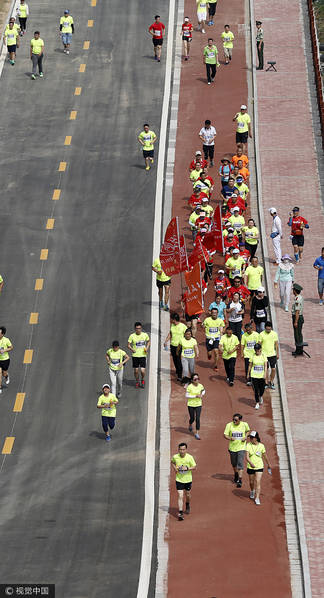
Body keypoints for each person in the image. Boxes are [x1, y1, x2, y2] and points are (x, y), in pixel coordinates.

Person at [171, 442, 197, 521]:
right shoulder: (175, 457)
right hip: (179, 479)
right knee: (180, 495)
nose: (182, 451)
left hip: (188, 479)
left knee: (187, 494)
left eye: (183, 449)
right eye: (180, 450)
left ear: (186, 450)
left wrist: (188, 468)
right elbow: (172, 462)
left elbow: (195, 467)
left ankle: (187, 504)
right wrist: (175, 468)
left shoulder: (190, 457)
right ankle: (180, 512)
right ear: (178, 450)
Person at [224, 413, 250, 487]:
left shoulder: (244, 424)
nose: (234, 421)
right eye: (233, 419)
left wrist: (245, 437)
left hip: (241, 448)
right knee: (234, 464)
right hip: (232, 448)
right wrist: (230, 438)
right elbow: (225, 435)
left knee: (240, 464)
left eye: (236, 420)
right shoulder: (229, 425)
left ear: (240, 420)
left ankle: (240, 480)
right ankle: (236, 473)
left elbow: (248, 431)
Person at [246, 431, 272, 504]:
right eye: (250, 437)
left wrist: (269, 464)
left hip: (259, 466)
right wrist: (251, 463)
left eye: (252, 438)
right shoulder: (248, 445)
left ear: (256, 438)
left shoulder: (261, 446)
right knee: (251, 482)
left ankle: (257, 498)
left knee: (257, 481)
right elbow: (247, 457)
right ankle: (252, 491)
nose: (250, 439)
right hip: (250, 467)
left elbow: (265, 456)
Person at [164, 313, 187, 381]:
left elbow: (188, 335)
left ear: (174, 319)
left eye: (172, 319)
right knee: (174, 359)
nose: (171, 320)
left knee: (178, 360)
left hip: (180, 346)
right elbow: (170, 334)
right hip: (173, 345)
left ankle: (180, 376)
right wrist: (166, 341)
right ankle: (177, 370)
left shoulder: (183, 326)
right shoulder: (172, 325)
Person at [128, 322, 150, 388]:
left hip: (143, 355)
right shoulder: (132, 336)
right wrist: (132, 349)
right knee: (136, 371)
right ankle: (137, 381)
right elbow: (128, 345)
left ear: (141, 328)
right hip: (135, 356)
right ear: (135, 329)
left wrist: (147, 348)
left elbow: (148, 341)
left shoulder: (145, 335)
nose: (138, 330)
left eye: (139, 328)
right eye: (137, 328)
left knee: (142, 371)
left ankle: (142, 380)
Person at [259, 321, 279, 389]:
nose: (268, 330)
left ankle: (271, 381)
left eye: (269, 329)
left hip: (272, 354)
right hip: (264, 355)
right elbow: (259, 344)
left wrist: (277, 353)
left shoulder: (274, 334)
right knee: (266, 369)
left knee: (273, 369)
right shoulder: (261, 334)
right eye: (267, 329)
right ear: (265, 328)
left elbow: (276, 345)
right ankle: (266, 382)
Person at [186, 373, 205, 439]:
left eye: (198, 379)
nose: (197, 380)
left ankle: (197, 433)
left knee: (197, 418)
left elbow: (203, 390)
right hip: (191, 405)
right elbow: (187, 395)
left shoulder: (200, 385)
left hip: (198, 404)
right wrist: (195, 396)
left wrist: (202, 394)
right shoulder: (189, 387)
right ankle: (190, 424)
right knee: (192, 418)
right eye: (195, 379)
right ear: (192, 380)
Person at [248, 343, 267, 409]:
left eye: (258, 350)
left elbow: (265, 365)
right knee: (256, 389)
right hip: (254, 375)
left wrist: (265, 374)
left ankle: (261, 396)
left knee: (262, 388)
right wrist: (248, 374)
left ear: (260, 349)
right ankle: (257, 403)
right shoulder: (252, 356)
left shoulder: (264, 355)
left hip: (261, 375)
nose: (257, 352)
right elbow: (250, 365)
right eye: (256, 350)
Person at [291, 283, 304, 356]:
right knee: (299, 333)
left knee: (297, 334)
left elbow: (297, 311)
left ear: (295, 291)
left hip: (297, 318)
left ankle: (298, 350)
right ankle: (299, 349)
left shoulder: (297, 299)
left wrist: (295, 321)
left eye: (293, 290)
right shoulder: (300, 297)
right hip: (299, 317)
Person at [0, 326, 13, 393]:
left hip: (5, 360)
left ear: (3, 334)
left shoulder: (6, 340)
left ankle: (6, 376)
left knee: (3, 374)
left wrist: (4, 350)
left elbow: (11, 347)